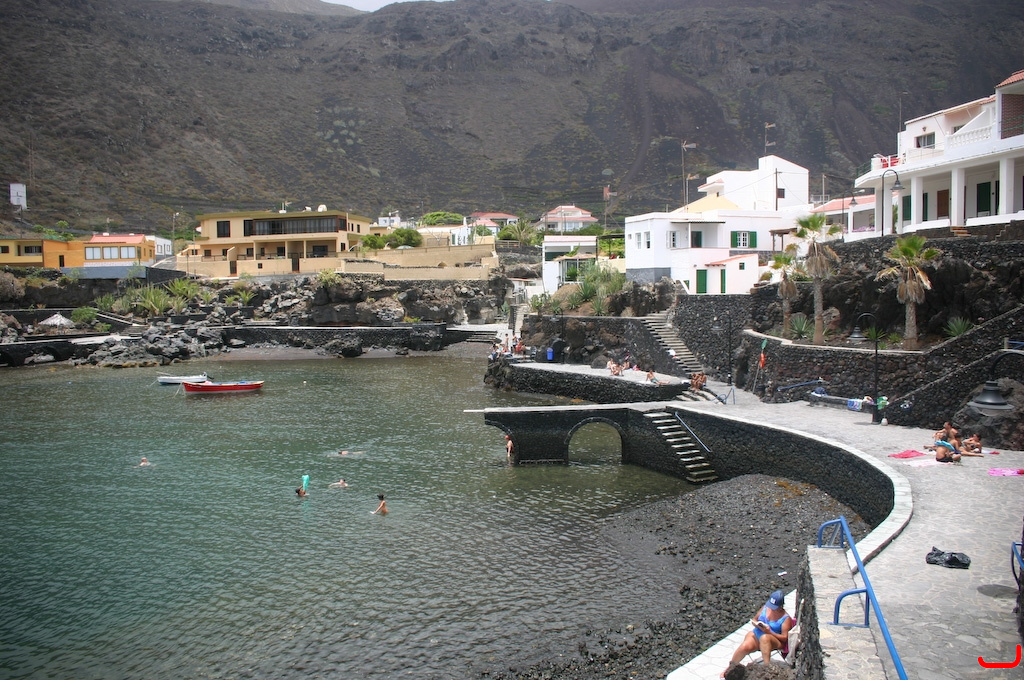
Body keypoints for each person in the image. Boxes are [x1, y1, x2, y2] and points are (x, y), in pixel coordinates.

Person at [723, 590, 793, 676]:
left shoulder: (785, 618)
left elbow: (785, 637)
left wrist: (769, 632)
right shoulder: (765, 608)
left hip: (773, 639)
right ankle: (730, 668)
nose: (771, 609)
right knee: (745, 646)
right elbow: (755, 619)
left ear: (780, 607)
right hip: (758, 633)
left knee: (765, 638)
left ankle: (767, 668)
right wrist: (757, 624)